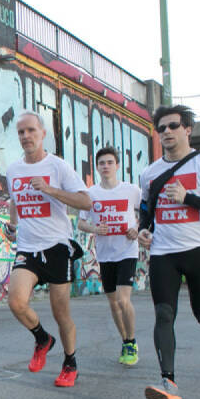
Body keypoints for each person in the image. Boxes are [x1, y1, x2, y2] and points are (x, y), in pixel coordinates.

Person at [137, 105, 200, 399]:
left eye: (173, 126)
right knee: (164, 314)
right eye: (161, 128)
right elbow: (146, 208)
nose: (167, 132)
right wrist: (144, 228)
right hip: (164, 252)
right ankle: (168, 381)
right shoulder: (150, 173)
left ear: (187, 129)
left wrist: (188, 198)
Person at [4, 111, 91, 387]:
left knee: (60, 311)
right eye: (21, 132)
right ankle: (43, 338)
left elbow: (86, 202)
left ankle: (70, 361)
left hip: (57, 246)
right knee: (16, 302)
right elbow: (15, 200)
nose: (26, 136)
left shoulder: (58, 167)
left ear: (42, 134)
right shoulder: (14, 170)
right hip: (27, 246)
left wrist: (51, 190)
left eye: (31, 130)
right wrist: (13, 225)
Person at [77, 146, 141, 366]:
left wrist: (138, 228)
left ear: (117, 165)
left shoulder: (131, 190)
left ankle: (131, 342)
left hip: (127, 251)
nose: (106, 166)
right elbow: (81, 222)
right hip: (105, 255)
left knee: (124, 300)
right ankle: (125, 341)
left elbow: (147, 213)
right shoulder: (91, 194)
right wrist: (94, 228)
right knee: (113, 303)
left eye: (110, 162)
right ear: (97, 167)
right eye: (102, 163)